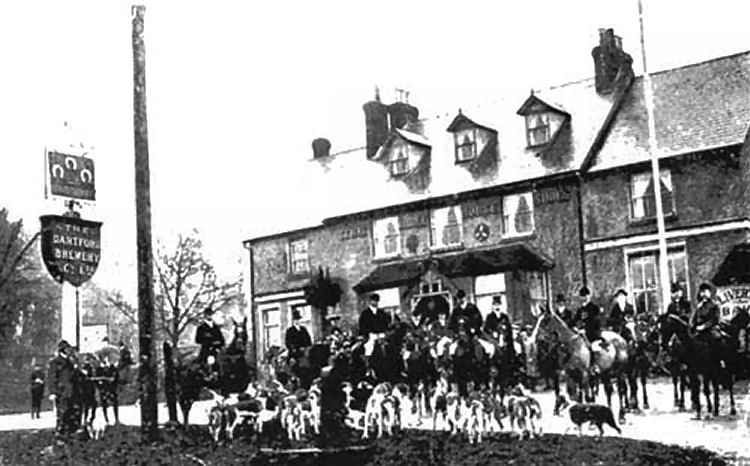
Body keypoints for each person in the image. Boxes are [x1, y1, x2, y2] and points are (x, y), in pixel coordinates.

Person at [48, 340, 80, 439]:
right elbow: (52, 377)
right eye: (68, 349)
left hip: (72, 392)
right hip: (61, 392)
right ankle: (60, 433)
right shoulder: (56, 362)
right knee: (62, 413)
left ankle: (70, 433)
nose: (70, 351)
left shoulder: (70, 362)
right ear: (64, 350)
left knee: (72, 412)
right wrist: (53, 392)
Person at [97, 356, 119, 424]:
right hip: (103, 389)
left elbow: (116, 377)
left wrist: (113, 380)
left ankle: (116, 419)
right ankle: (106, 419)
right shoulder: (99, 369)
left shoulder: (113, 368)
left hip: (112, 388)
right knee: (104, 404)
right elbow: (97, 379)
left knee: (115, 402)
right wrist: (100, 383)